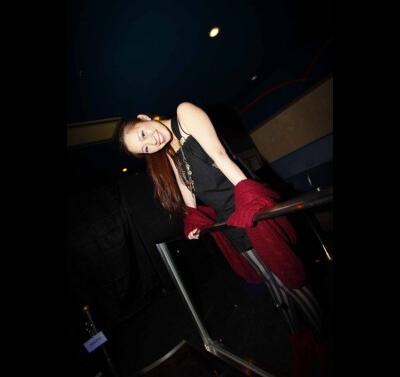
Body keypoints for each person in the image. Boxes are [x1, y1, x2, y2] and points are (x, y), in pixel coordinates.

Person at [118, 101, 331, 376]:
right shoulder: (168, 149)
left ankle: (324, 341)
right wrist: (193, 216)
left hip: (245, 206)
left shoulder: (184, 113)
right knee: (271, 281)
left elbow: (220, 155)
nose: (151, 142)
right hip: (229, 220)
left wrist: (249, 199)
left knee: (287, 278)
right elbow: (185, 184)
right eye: (145, 148)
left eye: (143, 134)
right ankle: (300, 341)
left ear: (144, 117)